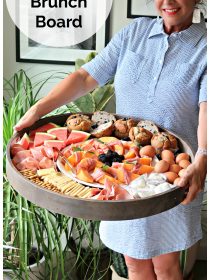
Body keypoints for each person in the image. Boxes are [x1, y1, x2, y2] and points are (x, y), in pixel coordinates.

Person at [15, 0, 207, 279]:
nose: (168, 2)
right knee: (133, 264)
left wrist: (202, 156)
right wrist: (37, 110)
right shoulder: (135, 33)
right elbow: (85, 77)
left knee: (165, 266)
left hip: (170, 175)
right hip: (120, 170)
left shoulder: (205, 46)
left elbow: (207, 107)